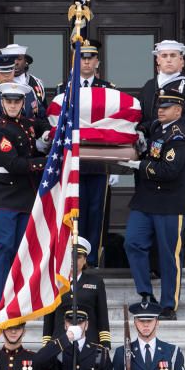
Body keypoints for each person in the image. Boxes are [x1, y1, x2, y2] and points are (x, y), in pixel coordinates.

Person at [119, 90, 185, 320]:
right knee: (133, 243)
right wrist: (140, 132)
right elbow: (146, 127)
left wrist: (138, 166)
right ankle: (146, 294)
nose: (160, 110)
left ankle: (169, 304)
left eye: (167, 106)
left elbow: (169, 171)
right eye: (159, 105)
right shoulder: (159, 128)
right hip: (145, 201)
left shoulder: (179, 136)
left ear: (178, 110)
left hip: (169, 204)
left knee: (169, 255)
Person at [0, 82, 51, 308]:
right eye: (8, 101)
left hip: (26, 197)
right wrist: (46, 162)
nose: (13, 105)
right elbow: (13, 163)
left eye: (17, 101)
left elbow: (41, 123)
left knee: (23, 249)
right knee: (4, 247)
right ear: (2, 103)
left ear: (23, 103)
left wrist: (47, 131)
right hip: (5, 197)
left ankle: (20, 297)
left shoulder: (27, 124)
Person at [75, 39, 118, 267]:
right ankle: (75, 257)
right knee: (76, 211)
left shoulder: (108, 89)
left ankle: (93, 258)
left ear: (97, 62)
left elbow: (115, 126)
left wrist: (115, 161)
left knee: (96, 212)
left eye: (90, 57)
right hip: (75, 162)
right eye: (82, 57)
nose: (87, 61)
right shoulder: (65, 88)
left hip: (100, 162)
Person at [0, 53, 47, 184]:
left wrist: (45, 134)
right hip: (6, 169)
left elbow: (41, 118)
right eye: (2, 72)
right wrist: (34, 141)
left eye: (9, 71)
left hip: (32, 168)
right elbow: (2, 131)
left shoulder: (27, 92)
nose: (7, 75)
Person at [41, 238, 112, 350]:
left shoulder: (96, 282)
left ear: (85, 260)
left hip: (89, 341)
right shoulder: (54, 282)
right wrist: (47, 343)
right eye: (68, 257)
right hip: (60, 342)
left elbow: (102, 315)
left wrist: (105, 343)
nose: (72, 261)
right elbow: (49, 317)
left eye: (77, 257)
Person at [138, 39, 185, 155]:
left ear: (181, 62)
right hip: (145, 150)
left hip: (173, 151)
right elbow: (140, 114)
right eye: (164, 56)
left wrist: (157, 136)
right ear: (158, 60)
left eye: (173, 55)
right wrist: (140, 131)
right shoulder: (148, 86)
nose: (168, 59)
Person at [0, 43, 49, 112]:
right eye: (11, 59)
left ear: (26, 62)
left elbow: (43, 112)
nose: (15, 62)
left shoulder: (37, 83)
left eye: (19, 59)